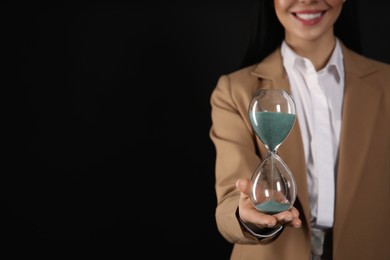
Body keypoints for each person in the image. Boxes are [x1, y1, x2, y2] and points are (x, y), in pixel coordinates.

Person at [209, 0, 390, 259]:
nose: (307, 0)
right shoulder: (234, 91)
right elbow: (229, 199)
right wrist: (246, 215)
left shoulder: (386, 84)